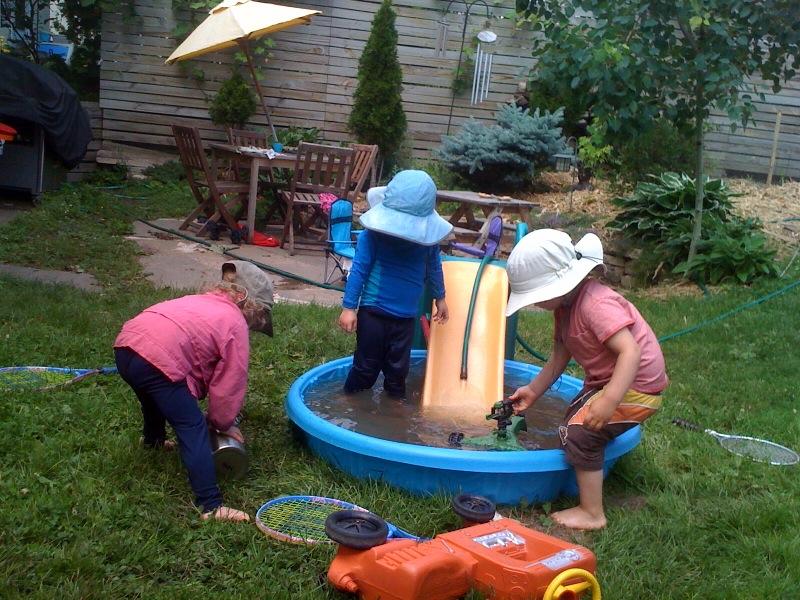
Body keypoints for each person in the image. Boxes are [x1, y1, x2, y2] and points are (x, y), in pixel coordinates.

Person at [505, 229, 667, 530]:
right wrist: (533, 391)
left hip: (637, 386)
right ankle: (592, 455)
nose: (535, 303)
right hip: (609, 382)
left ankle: (592, 513)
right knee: (575, 419)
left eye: (537, 296)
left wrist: (610, 401)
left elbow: (630, 352)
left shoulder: (595, 305)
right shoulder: (565, 307)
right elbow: (559, 355)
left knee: (580, 433)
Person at [113, 261, 274, 522]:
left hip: (126, 345)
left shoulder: (199, 300)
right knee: (192, 426)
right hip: (157, 357)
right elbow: (229, 384)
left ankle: (153, 441)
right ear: (252, 307)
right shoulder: (235, 322)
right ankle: (211, 504)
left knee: (152, 397)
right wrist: (221, 423)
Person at [338, 170, 452, 397]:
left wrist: (440, 298)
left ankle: (395, 410)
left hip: (405, 318)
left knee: (398, 372)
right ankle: (349, 401)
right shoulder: (372, 235)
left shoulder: (427, 241)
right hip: (373, 313)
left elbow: (434, 268)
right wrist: (349, 308)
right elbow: (359, 271)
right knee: (365, 368)